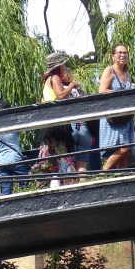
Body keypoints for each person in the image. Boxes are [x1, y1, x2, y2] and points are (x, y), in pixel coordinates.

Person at [37, 52, 79, 184]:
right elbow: (60, 96)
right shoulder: (55, 77)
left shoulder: (46, 79)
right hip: (57, 126)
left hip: (48, 126)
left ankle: (41, 186)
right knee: (63, 158)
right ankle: (71, 184)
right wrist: (72, 85)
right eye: (63, 64)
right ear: (60, 65)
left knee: (47, 160)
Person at [98, 44, 134, 171]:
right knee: (124, 148)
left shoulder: (127, 74)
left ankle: (121, 179)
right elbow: (102, 90)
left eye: (125, 53)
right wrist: (119, 95)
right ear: (113, 56)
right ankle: (103, 173)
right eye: (119, 53)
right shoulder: (110, 70)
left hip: (126, 118)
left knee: (126, 154)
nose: (123, 55)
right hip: (114, 117)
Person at [0, 100, 29, 196]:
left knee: (6, 190)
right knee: (25, 186)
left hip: (2, 163)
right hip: (16, 160)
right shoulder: (13, 125)